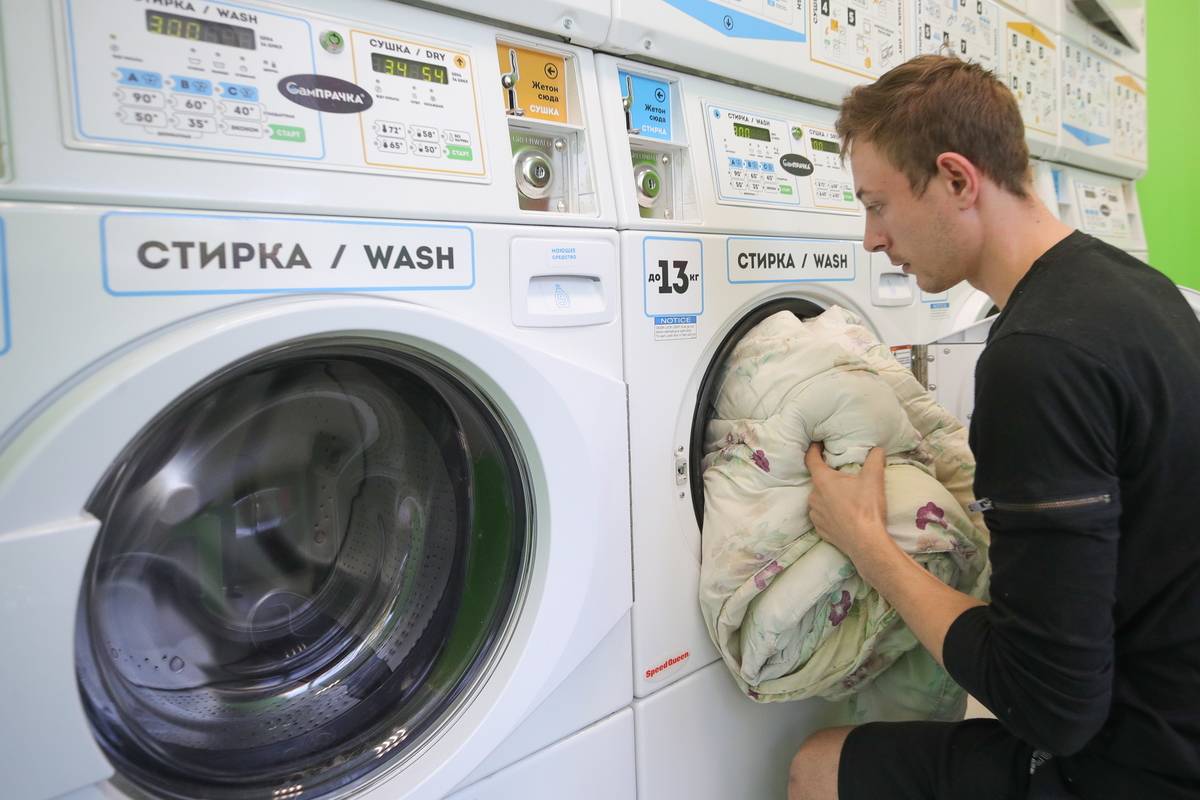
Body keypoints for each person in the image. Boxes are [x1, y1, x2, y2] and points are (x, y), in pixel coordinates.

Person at [787, 55, 1200, 800]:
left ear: (956, 179)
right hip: (1181, 698)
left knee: (817, 765)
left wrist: (868, 545)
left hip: (1147, 766)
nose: (870, 239)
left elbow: (1053, 707)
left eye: (877, 204)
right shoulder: (1137, 289)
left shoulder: (1033, 360)